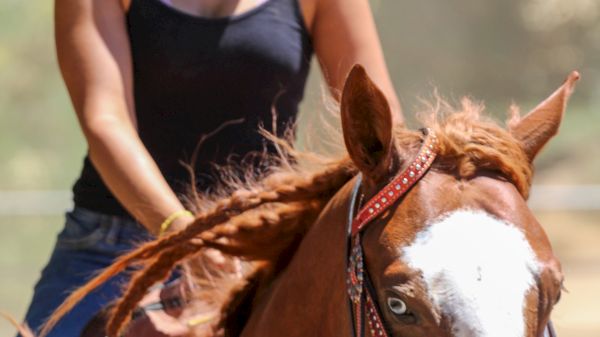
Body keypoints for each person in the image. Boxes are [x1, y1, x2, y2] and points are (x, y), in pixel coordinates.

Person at [20, 0, 401, 336]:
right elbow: (105, 121)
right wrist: (186, 240)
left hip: (260, 249)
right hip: (110, 248)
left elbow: (382, 132)